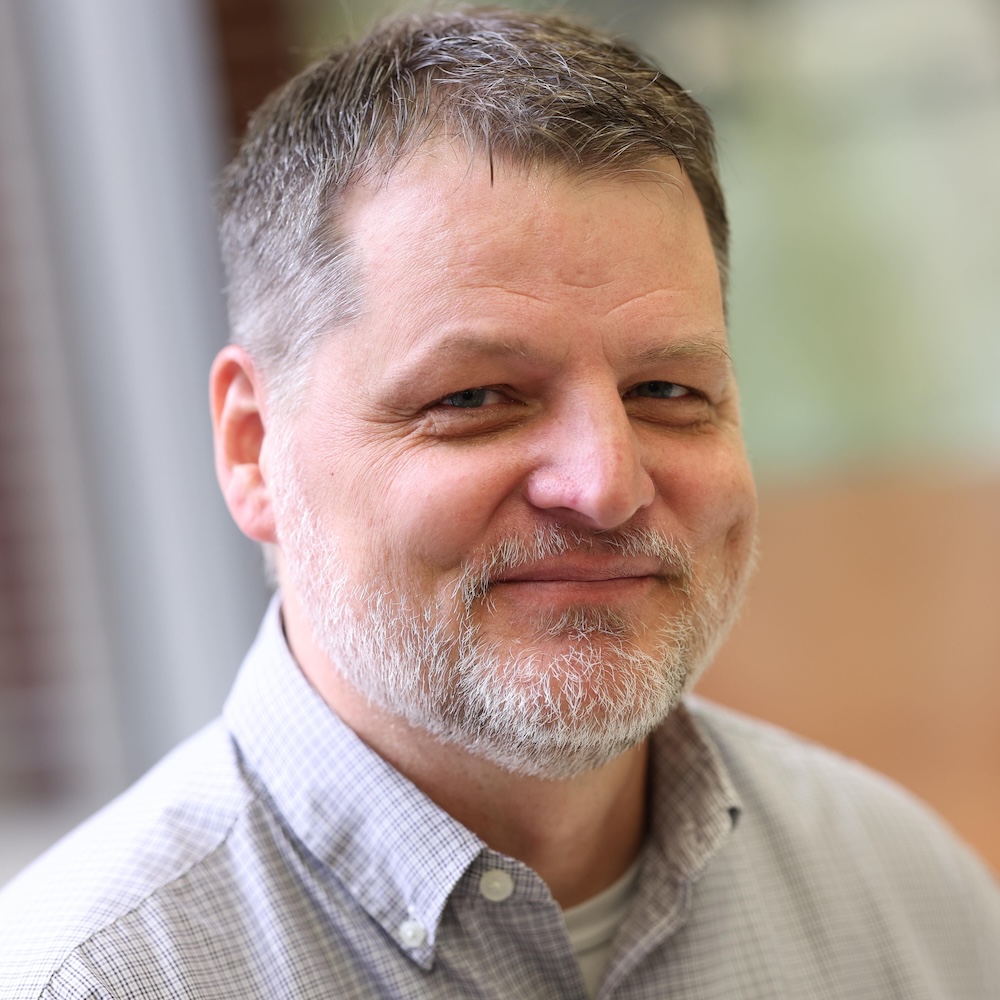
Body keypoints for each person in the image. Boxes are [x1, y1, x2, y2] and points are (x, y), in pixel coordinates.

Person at [2, 7, 998, 998]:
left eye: (665, 392)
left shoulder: (908, 898)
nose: (607, 485)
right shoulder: (86, 978)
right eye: (475, 398)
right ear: (254, 447)